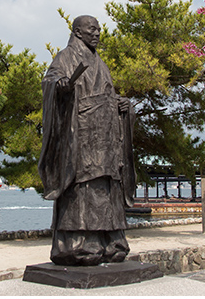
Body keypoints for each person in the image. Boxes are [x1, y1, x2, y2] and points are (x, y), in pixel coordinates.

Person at [39, 15, 135, 266]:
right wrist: (60, 86)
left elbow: (108, 97)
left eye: (99, 29)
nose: (98, 33)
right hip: (81, 135)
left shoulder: (100, 63)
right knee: (83, 188)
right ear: (78, 32)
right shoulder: (65, 57)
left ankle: (111, 242)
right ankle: (80, 245)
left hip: (106, 137)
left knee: (108, 187)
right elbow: (50, 82)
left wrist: (122, 105)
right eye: (92, 29)